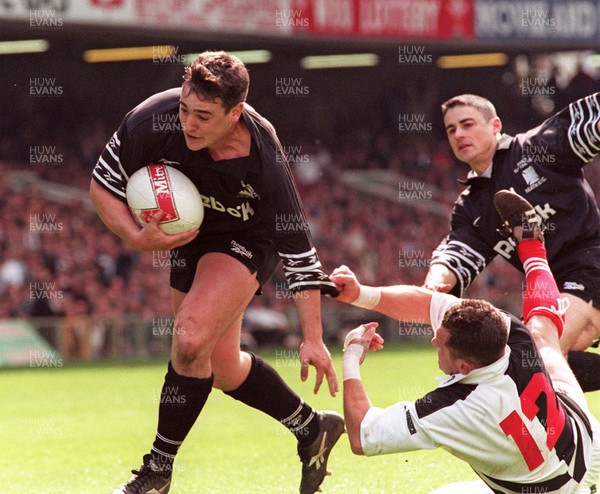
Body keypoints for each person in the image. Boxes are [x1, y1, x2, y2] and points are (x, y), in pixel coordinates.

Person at [90, 51, 344, 494]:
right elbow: (102, 184)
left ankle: (157, 473)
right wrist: (134, 236)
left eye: (204, 116)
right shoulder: (152, 120)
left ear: (236, 112)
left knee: (188, 338)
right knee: (220, 366)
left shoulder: (264, 158)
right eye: (186, 109)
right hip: (189, 236)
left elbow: (301, 256)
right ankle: (311, 428)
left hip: (247, 238)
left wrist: (313, 338)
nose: (188, 123)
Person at [331, 191, 600, 493]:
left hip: (552, 490)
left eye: (440, 342)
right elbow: (425, 302)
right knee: (544, 340)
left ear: (463, 366)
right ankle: (532, 246)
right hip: (585, 439)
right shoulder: (505, 330)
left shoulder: (456, 407)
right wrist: (359, 294)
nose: (433, 338)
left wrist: (351, 357)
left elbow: (362, 435)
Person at [423, 92, 600, 392]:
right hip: (553, 290)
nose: (459, 134)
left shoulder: (537, 147)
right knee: (516, 362)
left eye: (467, 124)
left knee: (528, 355)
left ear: (495, 125)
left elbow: (591, 120)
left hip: (590, 266)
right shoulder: (471, 207)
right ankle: (568, 436)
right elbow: (454, 254)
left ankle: (572, 437)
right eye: (451, 130)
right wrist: (434, 281)